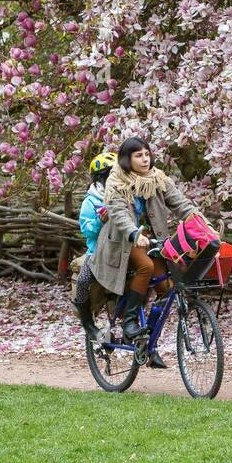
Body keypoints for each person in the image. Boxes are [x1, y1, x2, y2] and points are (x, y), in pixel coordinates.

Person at [91, 137, 218, 364]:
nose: (145, 159)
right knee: (146, 267)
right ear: (127, 159)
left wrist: (202, 224)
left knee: (165, 287)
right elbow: (118, 213)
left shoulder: (157, 179)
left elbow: (181, 204)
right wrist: (134, 233)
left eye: (147, 154)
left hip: (153, 241)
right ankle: (129, 322)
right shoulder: (116, 182)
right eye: (138, 155)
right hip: (123, 241)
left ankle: (147, 342)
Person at [71, 151, 116, 345]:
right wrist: (100, 220)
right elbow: (87, 230)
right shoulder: (91, 201)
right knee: (83, 280)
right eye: (110, 176)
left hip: (121, 250)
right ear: (100, 178)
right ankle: (87, 323)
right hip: (97, 252)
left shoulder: (124, 196)